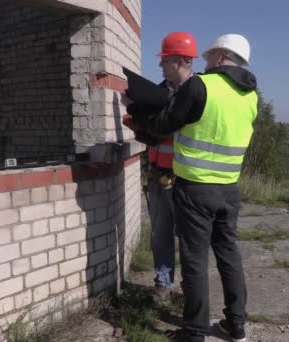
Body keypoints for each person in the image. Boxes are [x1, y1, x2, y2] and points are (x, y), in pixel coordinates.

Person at [133, 34, 257, 342]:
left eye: (209, 55)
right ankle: (235, 325)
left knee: (195, 259)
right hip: (229, 189)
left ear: (218, 57)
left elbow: (164, 125)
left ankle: (195, 331)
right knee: (229, 254)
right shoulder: (250, 95)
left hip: (195, 189)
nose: (205, 60)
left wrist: (138, 114)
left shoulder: (200, 85)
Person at [122, 32, 198, 304]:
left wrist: (146, 118)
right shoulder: (159, 91)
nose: (160, 66)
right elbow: (151, 127)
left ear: (179, 60)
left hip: (185, 178)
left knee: (189, 238)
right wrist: (136, 119)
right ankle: (163, 283)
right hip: (158, 174)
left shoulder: (195, 94)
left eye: (164, 61)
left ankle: (192, 288)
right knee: (160, 234)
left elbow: (169, 127)